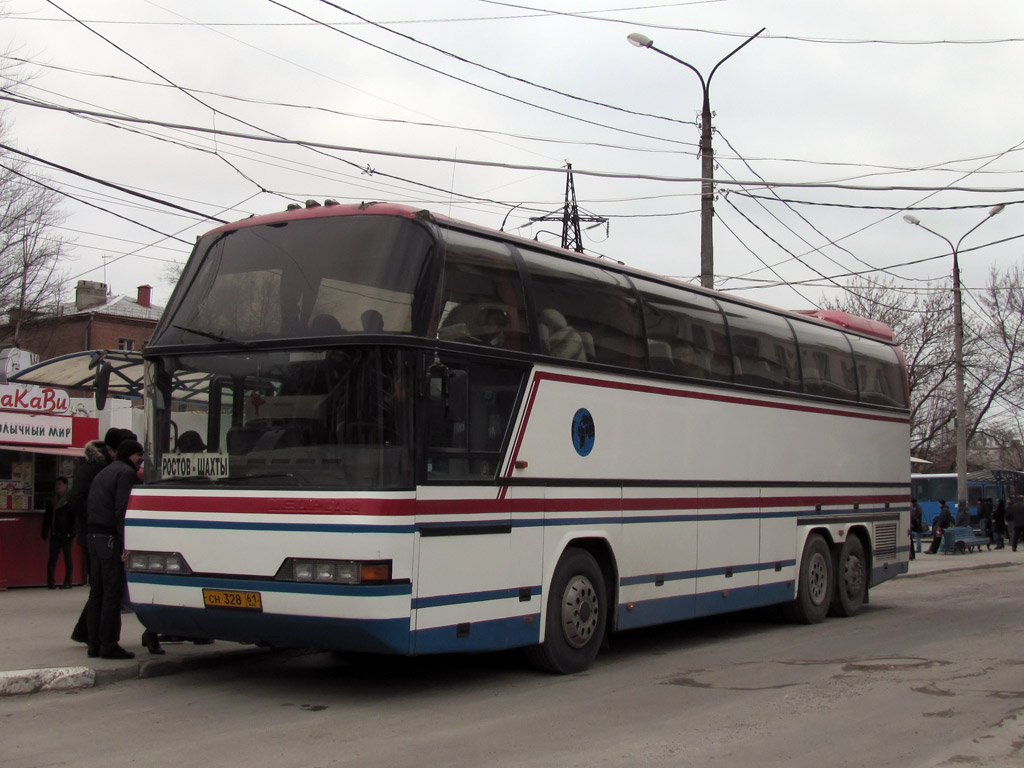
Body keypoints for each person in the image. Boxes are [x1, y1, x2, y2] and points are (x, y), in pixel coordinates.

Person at [84, 438, 145, 659]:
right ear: (132, 455)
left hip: (93, 535)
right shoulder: (126, 474)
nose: (141, 461)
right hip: (109, 537)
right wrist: (125, 543)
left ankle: (94, 644)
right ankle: (109, 644)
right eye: (140, 456)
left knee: (97, 591)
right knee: (112, 591)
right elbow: (122, 511)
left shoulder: (105, 471)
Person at [41, 477, 72, 589]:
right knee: (52, 559)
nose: (57, 486)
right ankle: (51, 582)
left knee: (67, 558)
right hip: (55, 533)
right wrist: (45, 531)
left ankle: (68, 582)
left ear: (65, 485)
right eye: (56, 484)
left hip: (66, 533)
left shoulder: (69, 500)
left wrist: (71, 532)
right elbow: (47, 517)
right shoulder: (52, 500)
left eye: (60, 484)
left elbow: (74, 518)